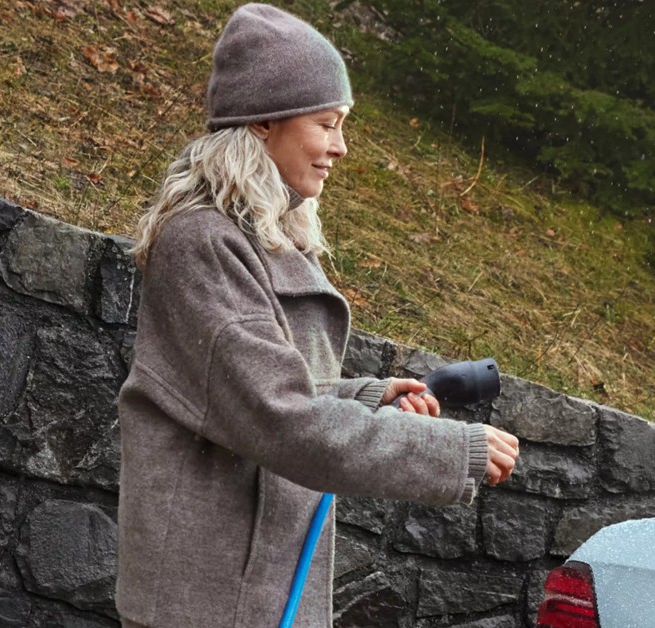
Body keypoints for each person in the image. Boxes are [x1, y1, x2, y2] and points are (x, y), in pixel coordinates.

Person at [115, 4, 521, 627]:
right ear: (262, 123)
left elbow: (266, 389)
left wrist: (368, 396)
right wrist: (448, 450)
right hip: (203, 599)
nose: (340, 147)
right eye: (326, 124)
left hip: (261, 588)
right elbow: (277, 418)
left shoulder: (269, 238)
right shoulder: (202, 245)